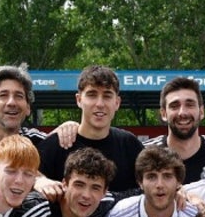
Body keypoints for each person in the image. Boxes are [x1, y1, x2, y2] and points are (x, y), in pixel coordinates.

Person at [38, 65, 143, 194]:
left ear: (117, 103)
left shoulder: (130, 145)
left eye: (107, 96)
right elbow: (29, 178)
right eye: (92, 95)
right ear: (79, 100)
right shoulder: (55, 145)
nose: (99, 104)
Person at [142, 76, 205, 183]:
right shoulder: (143, 153)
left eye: (189, 105)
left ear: (201, 112)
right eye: (174, 106)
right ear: (164, 114)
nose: (182, 113)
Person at [0, 64, 48, 168]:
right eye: (3, 95)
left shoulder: (42, 145)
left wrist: (69, 127)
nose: (11, 102)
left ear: (28, 107)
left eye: (19, 96)